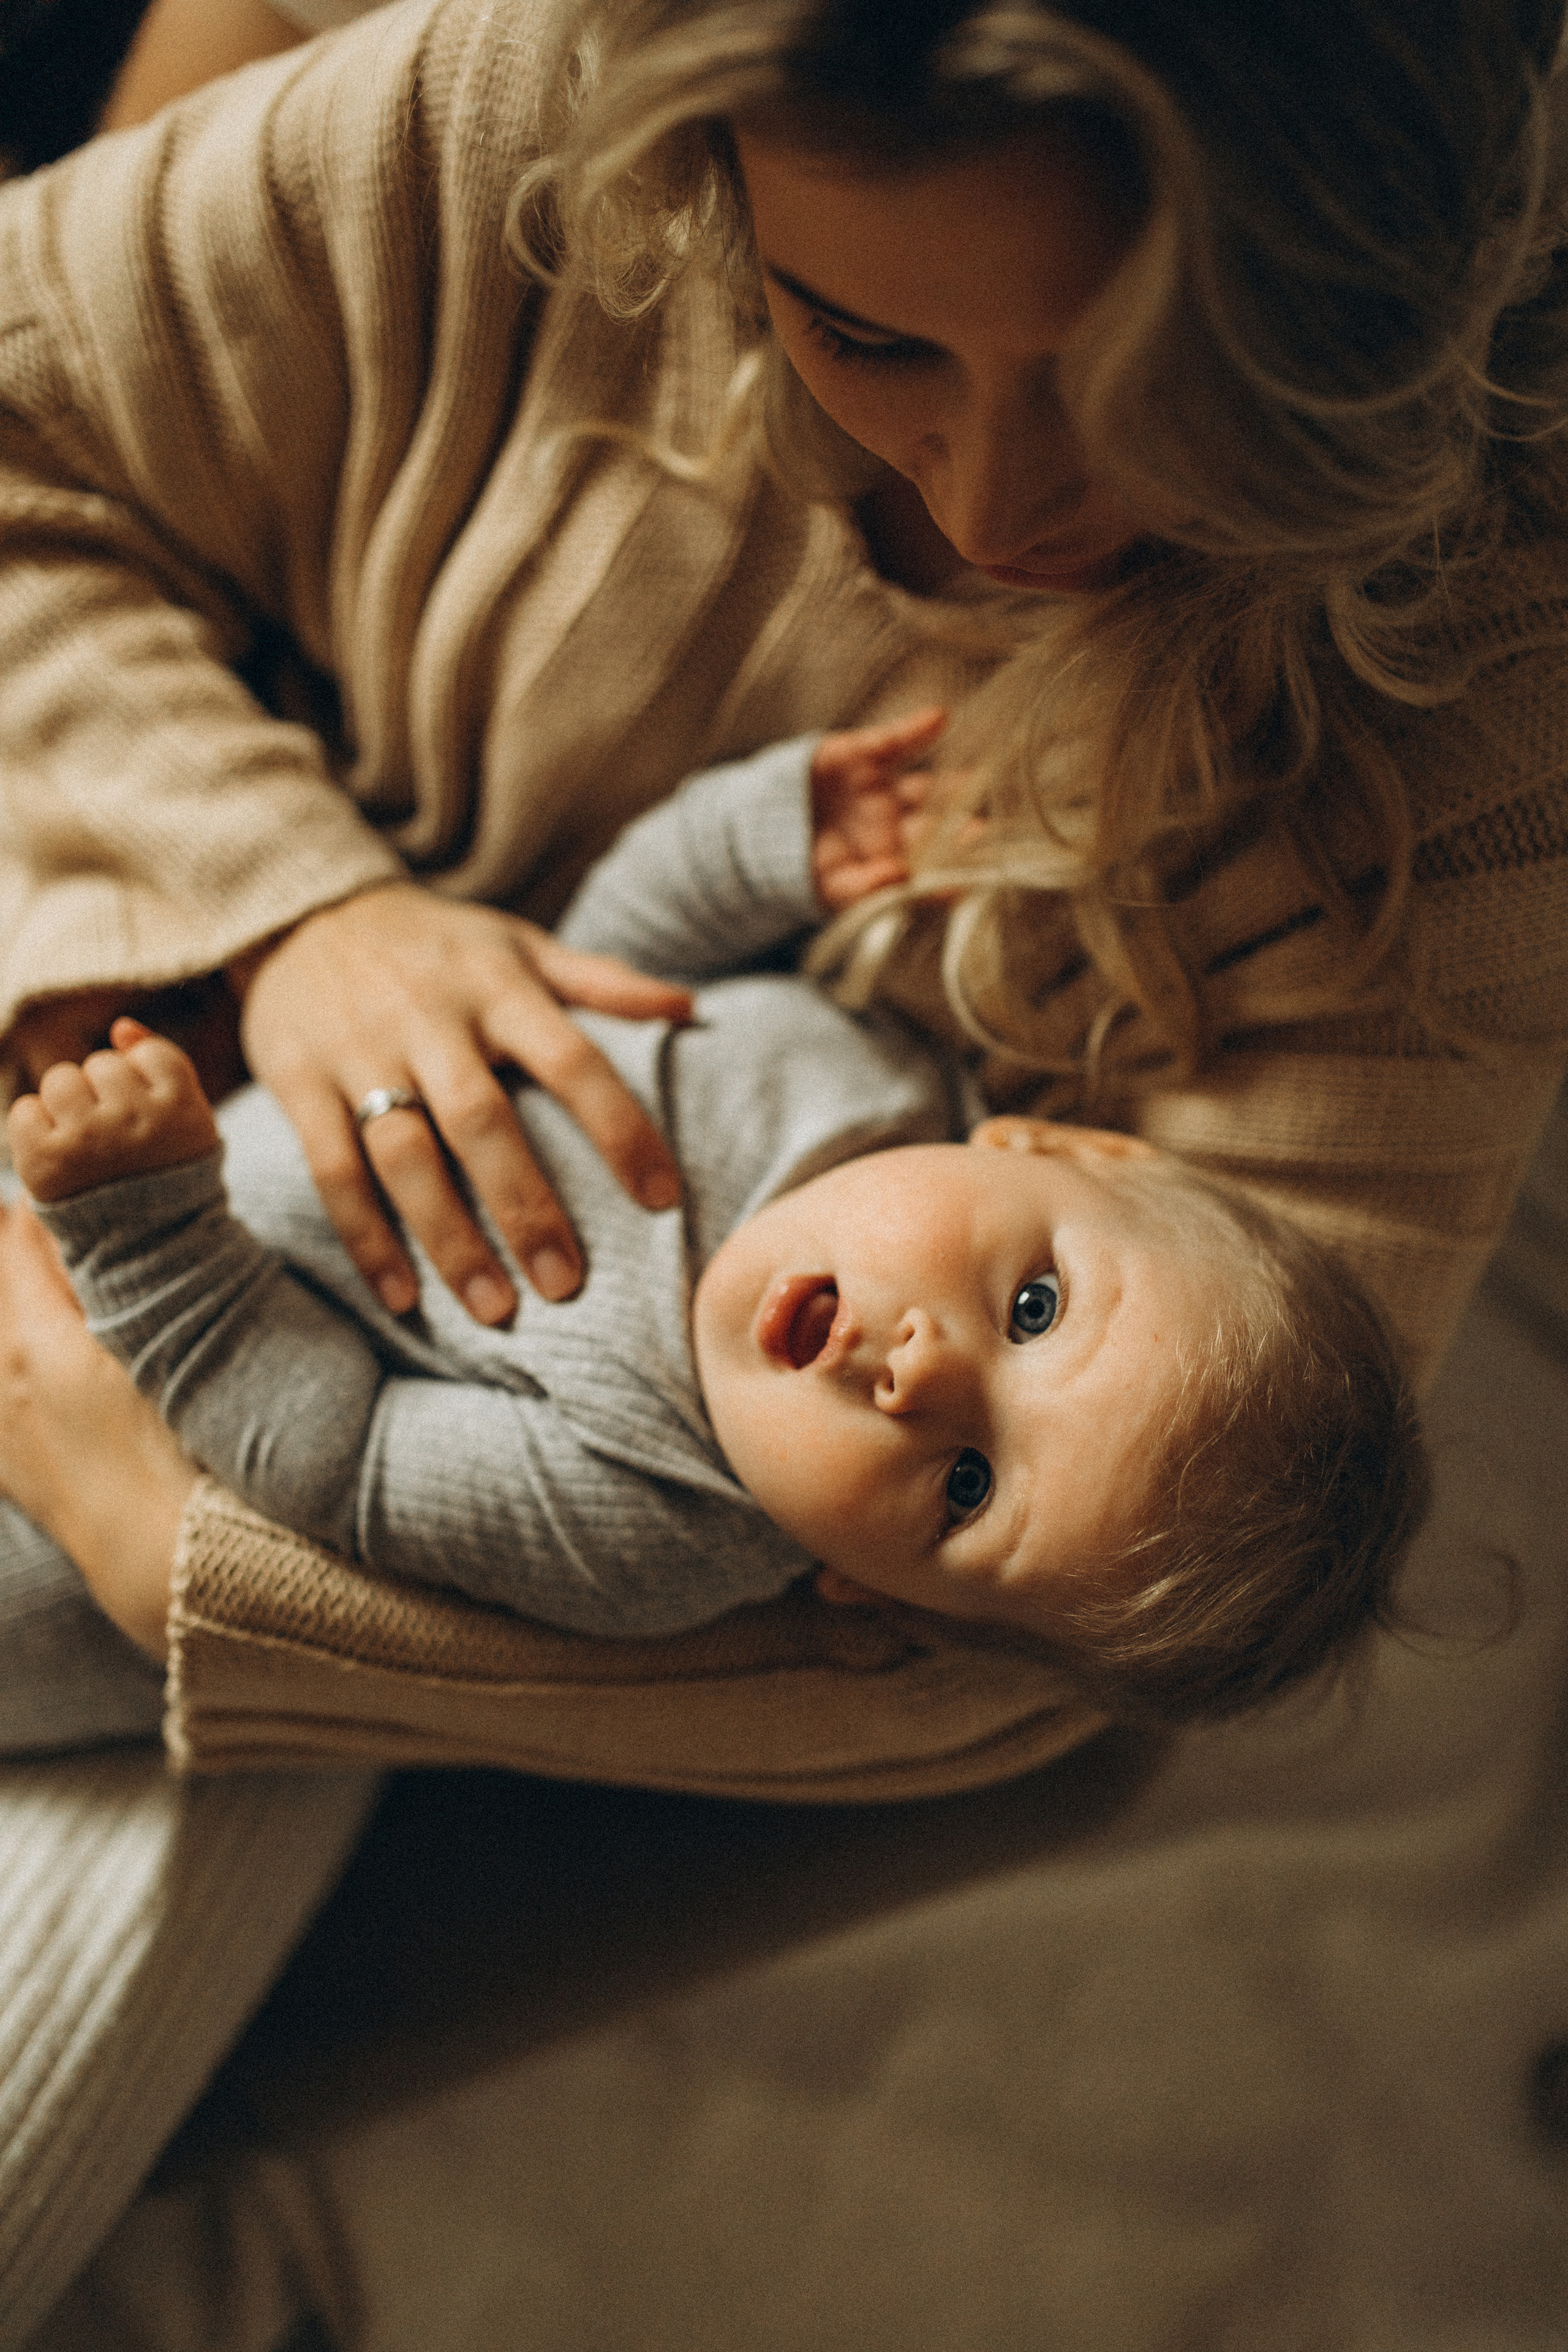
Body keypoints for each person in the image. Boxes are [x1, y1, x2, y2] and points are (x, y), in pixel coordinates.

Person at [0, 0, 1564, 1748]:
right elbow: (627, 966)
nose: (999, 518)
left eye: (1170, 390)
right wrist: (293, 906)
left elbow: (1078, 1620)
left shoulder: (675, 1503)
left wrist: (174, 1551)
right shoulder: (540, 109)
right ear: (1054, 1143)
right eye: (863, 334)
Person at [6, 722, 1423, 1732]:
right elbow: (598, 970)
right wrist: (765, 840)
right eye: (1033, 1311)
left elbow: (337, 1457)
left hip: (68, 1480)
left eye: (966, 1492)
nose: (918, 1378)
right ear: (1053, 1145)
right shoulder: (869, 1068)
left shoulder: (653, 1523)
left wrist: (145, 1231)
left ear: (867, 1600)